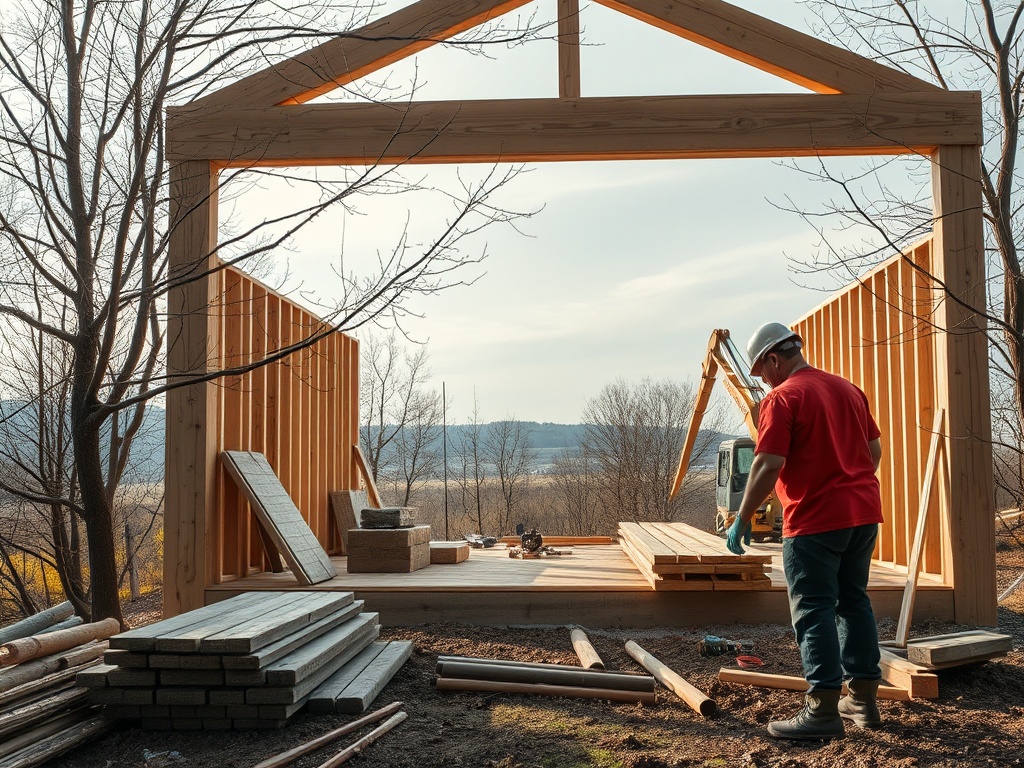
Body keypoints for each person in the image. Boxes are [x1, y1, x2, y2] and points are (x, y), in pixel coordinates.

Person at [726, 322, 884, 740]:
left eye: (762, 372)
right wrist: (849, 485)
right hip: (864, 515)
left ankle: (822, 710)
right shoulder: (848, 389)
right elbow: (873, 451)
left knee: (813, 609)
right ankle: (863, 701)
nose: (763, 382)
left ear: (774, 359)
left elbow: (767, 464)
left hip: (814, 522)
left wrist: (742, 518)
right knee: (854, 602)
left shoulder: (783, 398)